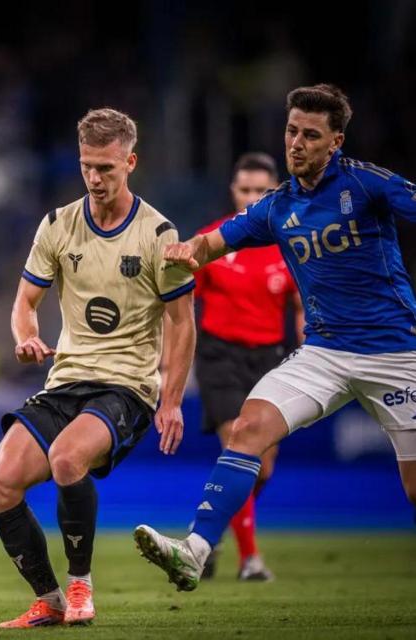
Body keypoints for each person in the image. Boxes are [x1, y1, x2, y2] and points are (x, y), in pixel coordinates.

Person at [133, 83, 416, 592]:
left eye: (311, 134)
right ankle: (194, 553)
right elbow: (213, 243)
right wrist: (184, 251)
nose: (297, 143)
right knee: (246, 430)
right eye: (291, 131)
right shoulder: (277, 206)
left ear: (336, 142)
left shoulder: (368, 184)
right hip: (325, 353)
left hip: (395, 351)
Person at [0, 108, 196, 628]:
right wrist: (25, 337)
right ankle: (49, 599)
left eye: (107, 168)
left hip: (126, 388)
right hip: (66, 381)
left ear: (131, 161)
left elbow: (182, 323)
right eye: (87, 167)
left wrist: (170, 400)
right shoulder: (58, 225)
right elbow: (24, 302)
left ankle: (81, 588)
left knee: (66, 460)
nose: (96, 179)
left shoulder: (158, 234)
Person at [193, 152, 304, 581]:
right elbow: (181, 305)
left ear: (274, 192)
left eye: (261, 191)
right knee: (242, 452)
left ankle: (211, 529)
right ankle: (250, 561)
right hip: (219, 357)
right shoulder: (211, 240)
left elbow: (300, 304)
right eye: (245, 190)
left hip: (271, 359)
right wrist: (170, 364)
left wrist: (307, 335)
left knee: (266, 465)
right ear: (233, 191)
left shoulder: (292, 242)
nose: (252, 197)